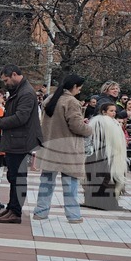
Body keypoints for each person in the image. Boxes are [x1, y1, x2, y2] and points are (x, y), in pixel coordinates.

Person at [32, 74, 92, 223]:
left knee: (46, 182)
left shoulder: (49, 99)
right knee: (70, 184)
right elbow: (76, 126)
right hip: (67, 149)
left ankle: (40, 212)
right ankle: (73, 215)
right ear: (74, 87)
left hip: (50, 147)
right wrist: (89, 129)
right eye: (79, 88)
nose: (79, 91)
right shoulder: (71, 101)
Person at [0, 64, 42, 224]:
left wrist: (0, 124)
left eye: (6, 80)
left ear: (14, 74)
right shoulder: (20, 90)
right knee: (13, 176)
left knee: (18, 177)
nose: (5, 83)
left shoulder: (26, 92)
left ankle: (16, 212)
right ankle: (12, 208)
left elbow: (21, 117)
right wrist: (1, 119)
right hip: (17, 139)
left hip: (21, 140)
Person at [83, 102, 129, 211]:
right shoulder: (99, 122)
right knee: (102, 178)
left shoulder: (113, 122)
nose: (113, 113)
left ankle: (101, 202)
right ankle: (102, 203)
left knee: (106, 179)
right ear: (104, 111)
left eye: (114, 111)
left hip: (108, 156)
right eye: (111, 111)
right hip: (100, 155)